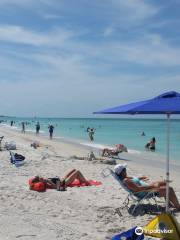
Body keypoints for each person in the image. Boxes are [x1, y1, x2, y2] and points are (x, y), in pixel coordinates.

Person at [114, 164, 180, 211]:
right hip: (147, 192)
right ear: (122, 172)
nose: (126, 170)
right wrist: (152, 186)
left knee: (164, 183)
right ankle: (178, 207)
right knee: (169, 189)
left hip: (147, 188)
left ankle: (168, 204)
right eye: (125, 169)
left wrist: (140, 178)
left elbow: (134, 180)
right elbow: (137, 189)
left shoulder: (126, 178)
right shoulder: (126, 180)